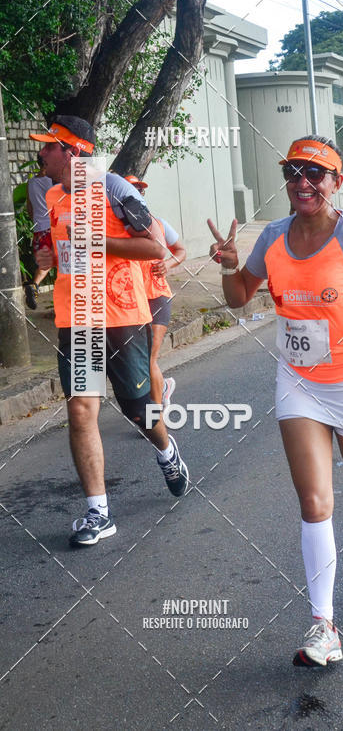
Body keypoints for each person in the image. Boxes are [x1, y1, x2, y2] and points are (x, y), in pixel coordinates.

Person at [208, 135, 343, 667]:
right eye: (294, 173)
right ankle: (323, 626)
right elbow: (239, 298)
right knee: (314, 502)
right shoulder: (274, 238)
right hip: (298, 382)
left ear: (335, 182)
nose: (303, 183)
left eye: (315, 174)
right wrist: (231, 265)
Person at [31, 116, 190, 547]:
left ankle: (166, 451)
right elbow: (52, 255)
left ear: (72, 151)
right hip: (76, 319)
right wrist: (45, 257)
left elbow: (155, 246)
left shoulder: (115, 188)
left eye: (49, 146)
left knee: (138, 412)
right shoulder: (50, 194)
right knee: (81, 409)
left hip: (122, 318)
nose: (41, 152)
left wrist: (95, 242)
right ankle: (98, 512)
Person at [124, 175, 186, 406]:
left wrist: (168, 264)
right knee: (138, 359)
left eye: (140, 190)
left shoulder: (157, 223)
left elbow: (180, 250)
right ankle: (164, 387)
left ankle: (155, 414)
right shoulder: (117, 230)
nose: (137, 193)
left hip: (158, 297)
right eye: (132, 189)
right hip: (130, 302)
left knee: (149, 358)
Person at [24, 153, 53, 309]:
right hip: (53, 227)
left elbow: (30, 208)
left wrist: (36, 222)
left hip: (39, 228)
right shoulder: (53, 181)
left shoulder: (31, 183)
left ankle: (34, 285)